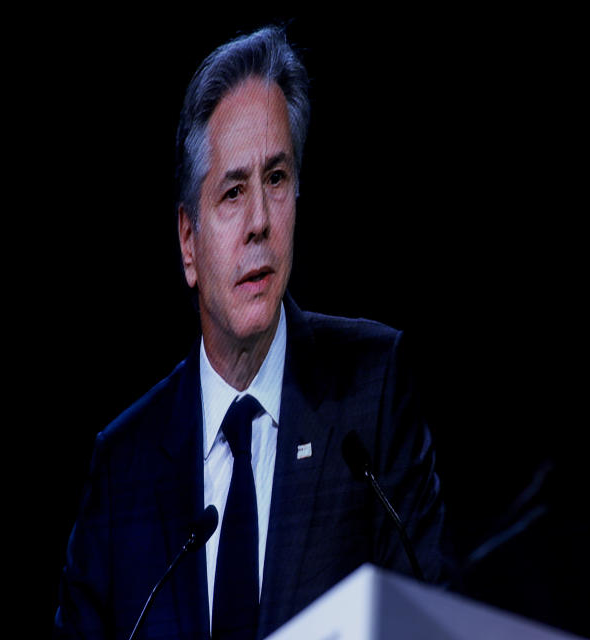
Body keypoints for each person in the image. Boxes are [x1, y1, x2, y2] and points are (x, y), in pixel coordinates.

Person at [54, 26, 445, 640]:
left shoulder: (371, 396)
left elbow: (432, 620)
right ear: (189, 241)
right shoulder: (123, 469)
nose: (260, 222)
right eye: (233, 192)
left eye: (277, 180)